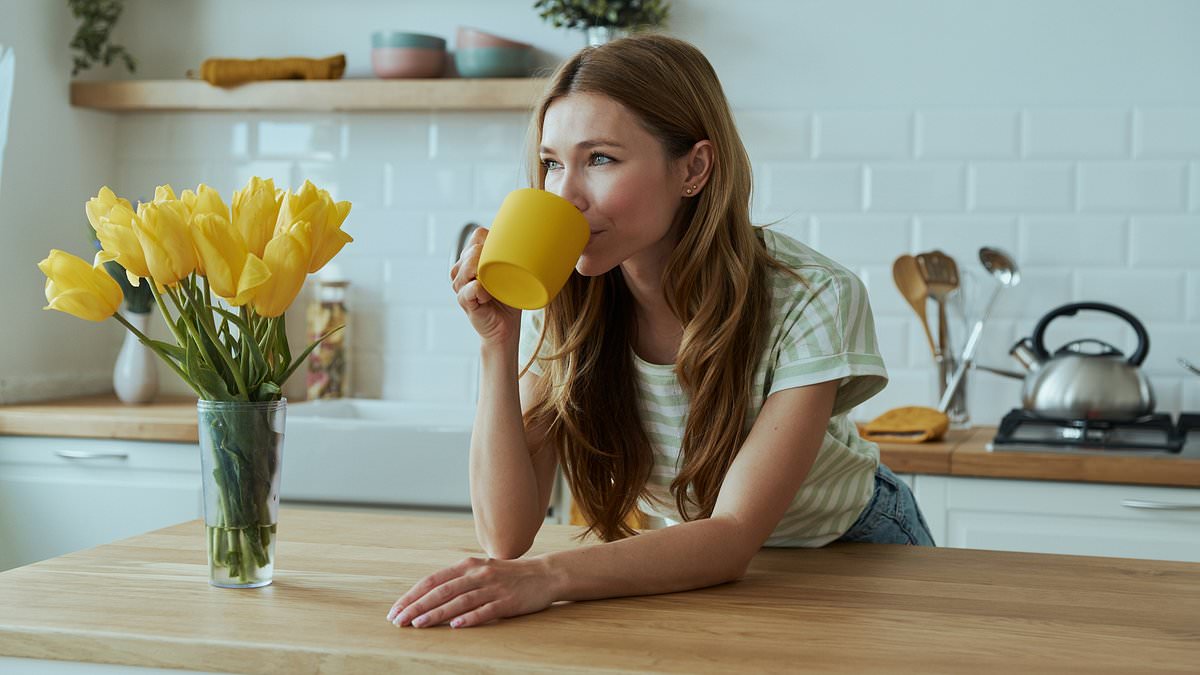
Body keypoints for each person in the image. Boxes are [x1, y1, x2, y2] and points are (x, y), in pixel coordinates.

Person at [387, 33, 934, 631]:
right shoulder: (564, 293)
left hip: (854, 551)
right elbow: (505, 534)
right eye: (551, 163)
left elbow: (731, 535)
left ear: (694, 168)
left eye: (600, 159)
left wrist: (548, 576)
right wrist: (499, 343)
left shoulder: (813, 296)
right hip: (687, 561)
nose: (565, 196)